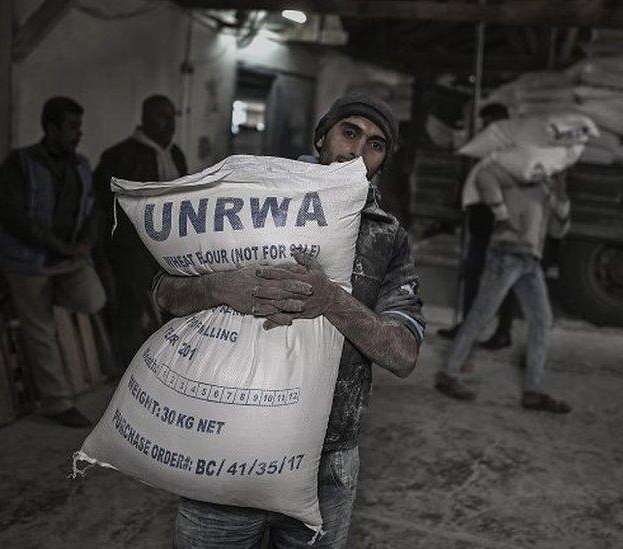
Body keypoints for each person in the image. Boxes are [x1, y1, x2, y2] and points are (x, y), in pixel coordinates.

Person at [154, 93, 425, 548]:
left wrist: (333, 302)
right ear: (322, 136)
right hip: (230, 439)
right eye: (350, 132)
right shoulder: (254, 202)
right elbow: (164, 291)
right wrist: (221, 287)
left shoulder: (385, 235)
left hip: (327, 458)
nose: (358, 152)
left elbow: (403, 354)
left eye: (375, 145)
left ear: (384, 160)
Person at [0, 96, 106, 428]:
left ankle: (36, 296)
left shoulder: (81, 165)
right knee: (40, 330)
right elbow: (14, 216)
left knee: (93, 298)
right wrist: (56, 244)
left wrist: (84, 244)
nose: (78, 133)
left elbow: (92, 210)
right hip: (27, 259)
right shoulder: (21, 162)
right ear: (50, 127)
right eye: (71, 127)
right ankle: (58, 403)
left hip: (65, 260)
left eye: (79, 127)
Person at [434, 156, 573, 414]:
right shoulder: (517, 174)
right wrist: (500, 211)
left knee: (542, 321)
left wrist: (561, 197)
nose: (561, 172)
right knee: (480, 316)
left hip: (530, 261)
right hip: (506, 255)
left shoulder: (547, 189)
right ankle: (447, 373)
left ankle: (533, 390)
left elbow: (557, 231)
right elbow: (484, 176)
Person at [93, 95, 188, 374]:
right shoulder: (119, 156)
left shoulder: (175, 154)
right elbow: (104, 203)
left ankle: (167, 366)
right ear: (145, 118)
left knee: (173, 303)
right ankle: (130, 371)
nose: (169, 123)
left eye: (172, 117)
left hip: (169, 247)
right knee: (131, 308)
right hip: (131, 247)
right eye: (162, 116)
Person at [437, 103, 516, 351]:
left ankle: (504, 331)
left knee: (503, 279)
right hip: (481, 222)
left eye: (490, 122)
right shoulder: (483, 148)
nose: (486, 127)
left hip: (501, 224)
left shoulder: (512, 151)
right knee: (472, 274)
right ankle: (467, 325)